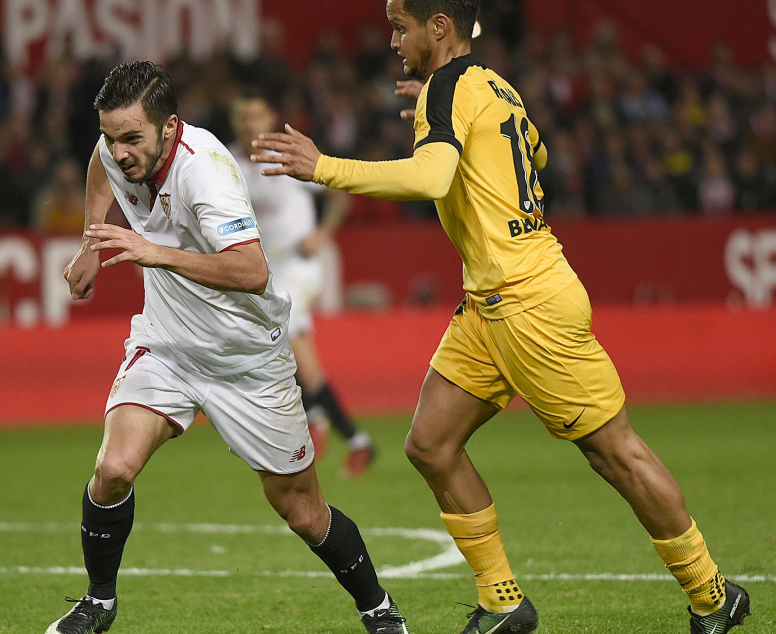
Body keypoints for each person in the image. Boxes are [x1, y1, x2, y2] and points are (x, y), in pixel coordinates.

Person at [250, 1, 752, 633]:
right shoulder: (495, 86)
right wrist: (458, 128)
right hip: (490, 305)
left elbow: (432, 180)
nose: (391, 38)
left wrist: (323, 167)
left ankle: (712, 594)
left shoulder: (448, 87)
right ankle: (503, 601)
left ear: (438, 27)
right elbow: (535, 157)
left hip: (528, 299)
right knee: (430, 446)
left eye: (400, 25)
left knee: (614, 452)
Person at [51, 61, 407, 634]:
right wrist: (93, 242)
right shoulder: (115, 146)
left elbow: (252, 270)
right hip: (167, 344)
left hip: (247, 360)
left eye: (131, 139)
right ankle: (99, 602)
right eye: (112, 136)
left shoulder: (206, 172)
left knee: (302, 510)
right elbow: (98, 163)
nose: (119, 152)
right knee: (113, 469)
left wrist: (155, 252)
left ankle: (379, 610)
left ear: (170, 128)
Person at [229, 93, 377, 477]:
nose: (250, 124)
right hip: (266, 274)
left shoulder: (286, 156)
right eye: (244, 117)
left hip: (301, 266)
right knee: (286, 347)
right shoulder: (229, 164)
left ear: (270, 118)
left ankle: (315, 419)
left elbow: (339, 191)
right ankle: (353, 437)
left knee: (287, 333)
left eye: (257, 115)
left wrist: (324, 235)